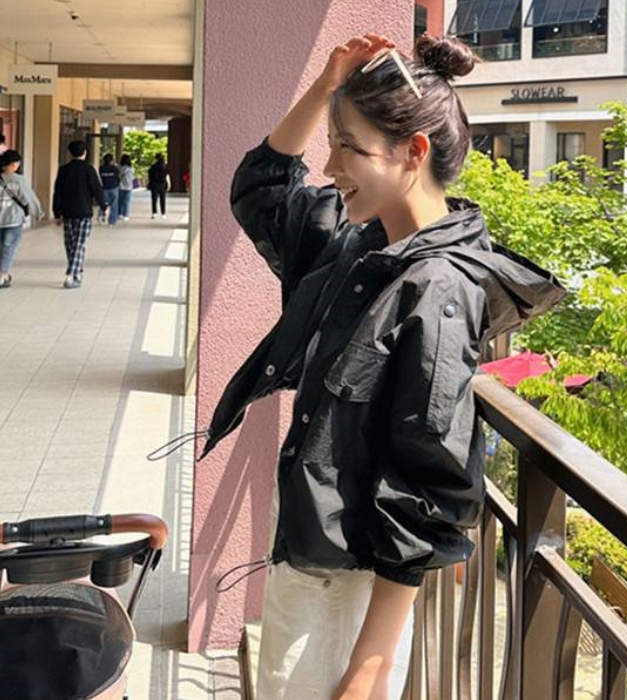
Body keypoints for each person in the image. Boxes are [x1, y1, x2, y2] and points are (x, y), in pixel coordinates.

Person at [201, 34, 565, 699]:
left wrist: (369, 667)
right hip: (310, 564)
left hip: (345, 596)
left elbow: (426, 480)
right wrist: (326, 84)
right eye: (332, 142)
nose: (330, 165)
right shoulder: (359, 248)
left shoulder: (438, 287)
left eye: (349, 147)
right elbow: (263, 192)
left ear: (413, 152)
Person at [52, 140, 107, 289]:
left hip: (68, 212)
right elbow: (97, 189)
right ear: (85, 153)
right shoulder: (89, 169)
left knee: (70, 244)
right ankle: (73, 274)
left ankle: (75, 273)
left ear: (70, 153)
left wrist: (57, 212)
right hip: (84, 212)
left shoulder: (63, 169)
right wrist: (104, 206)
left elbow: (58, 192)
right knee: (79, 244)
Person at [0, 150, 43, 288]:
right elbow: (29, 198)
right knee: (8, 248)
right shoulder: (18, 180)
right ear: (13, 164)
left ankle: (3, 275)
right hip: (13, 220)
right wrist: (38, 213)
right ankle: (2, 275)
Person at [99, 153, 120, 226]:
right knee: (114, 205)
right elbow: (118, 177)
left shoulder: (101, 168)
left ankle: (101, 216)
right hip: (114, 188)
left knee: (103, 204)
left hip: (104, 188)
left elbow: (100, 177)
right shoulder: (114, 168)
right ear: (112, 160)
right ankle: (112, 222)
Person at [147, 153, 170, 218]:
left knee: (154, 199)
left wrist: (149, 183)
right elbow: (167, 176)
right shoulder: (165, 166)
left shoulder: (153, 166)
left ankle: (154, 213)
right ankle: (163, 213)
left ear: (156, 159)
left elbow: (149, 176)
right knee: (163, 199)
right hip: (163, 184)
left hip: (154, 184)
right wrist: (169, 184)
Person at [118, 153, 135, 220]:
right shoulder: (131, 169)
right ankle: (126, 215)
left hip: (120, 186)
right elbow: (132, 177)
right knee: (127, 202)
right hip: (129, 187)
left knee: (120, 201)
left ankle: (119, 214)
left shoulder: (120, 168)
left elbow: (118, 176)